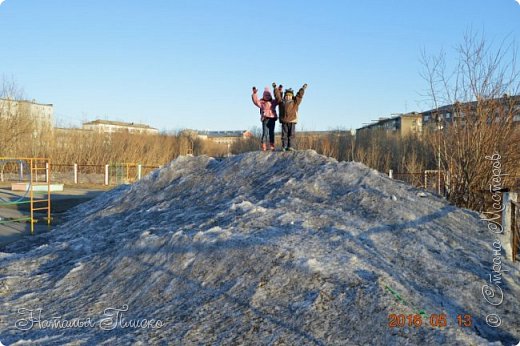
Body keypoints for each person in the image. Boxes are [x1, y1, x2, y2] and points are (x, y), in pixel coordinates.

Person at [273, 82, 307, 151]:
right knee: (284, 135)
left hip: (292, 120)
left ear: (292, 96)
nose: (288, 97)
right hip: (284, 121)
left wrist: (302, 89)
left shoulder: (295, 102)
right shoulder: (281, 102)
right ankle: (284, 146)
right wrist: (275, 88)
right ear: (285, 96)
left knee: (291, 134)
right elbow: (277, 96)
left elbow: (299, 96)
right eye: (287, 95)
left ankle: (290, 146)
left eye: (289, 96)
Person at [251, 86, 278, 151]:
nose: (267, 96)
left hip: (272, 118)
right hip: (265, 118)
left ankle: (272, 144)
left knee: (271, 132)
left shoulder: (273, 102)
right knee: (265, 132)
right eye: (266, 95)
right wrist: (254, 94)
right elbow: (255, 101)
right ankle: (264, 144)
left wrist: (278, 91)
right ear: (263, 96)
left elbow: (279, 99)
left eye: (268, 95)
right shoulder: (262, 102)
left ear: (270, 95)